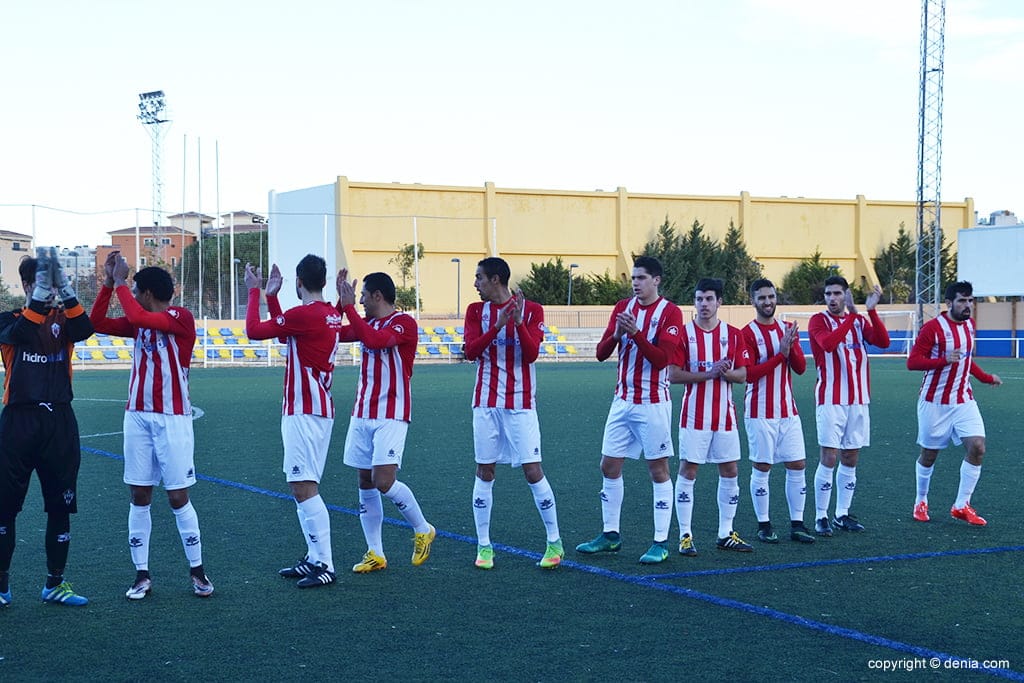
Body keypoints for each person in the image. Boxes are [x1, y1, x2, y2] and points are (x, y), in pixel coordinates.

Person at [89, 252, 213, 599]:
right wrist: (108, 285)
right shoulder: (139, 319)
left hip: (173, 418)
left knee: (177, 496)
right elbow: (96, 322)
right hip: (138, 416)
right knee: (139, 494)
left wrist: (121, 283)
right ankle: (141, 574)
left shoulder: (180, 316)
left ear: (146, 293)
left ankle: (198, 571)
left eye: (135, 290)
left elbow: (137, 314)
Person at [0, 248, 93, 607]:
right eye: (42, 284)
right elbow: (22, 333)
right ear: (26, 284)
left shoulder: (65, 320)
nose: (49, 291)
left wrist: (67, 290)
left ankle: (55, 584)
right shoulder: (8, 319)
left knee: (60, 505)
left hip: (59, 421)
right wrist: (39, 296)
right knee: (5, 507)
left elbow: (85, 329)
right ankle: (2, 587)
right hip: (18, 422)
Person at [576, 256, 684, 565]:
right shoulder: (623, 308)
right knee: (608, 466)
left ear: (656, 280)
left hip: (653, 403)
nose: (635, 282)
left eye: (641, 277)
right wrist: (617, 334)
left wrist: (636, 333)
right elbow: (600, 354)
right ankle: (611, 535)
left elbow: (663, 359)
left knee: (658, 470)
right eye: (633, 278)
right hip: (622, 401)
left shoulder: (670, 312)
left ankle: (661, 541)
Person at [245, 255, 343, 588]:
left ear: (299, 282)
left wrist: (255, 292)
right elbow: (287, 336)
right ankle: (315, 557)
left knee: (304, 486)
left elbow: (254, 331)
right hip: (315, 408)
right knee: (300, 484)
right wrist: (273, 297)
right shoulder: (328, 314)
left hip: (305, 410)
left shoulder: (305, 315)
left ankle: (326, 564)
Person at [463, 257, 562, 570]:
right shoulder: (476, 311)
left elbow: (531, 354)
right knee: (485, 471)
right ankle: (484, 546)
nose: (475, 283)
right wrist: (497, 326)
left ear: (495, 279)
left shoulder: (532, 309)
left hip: (520, 405)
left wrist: (518, 322)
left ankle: (554, 542)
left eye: (479, 278)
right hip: (485, 403)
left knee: (533, 471)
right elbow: (470, 352)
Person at [335, 269, 436, 573]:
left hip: (392, 413)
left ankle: (422, 528)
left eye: (363, 295)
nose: (361, 300)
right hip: (362, 412)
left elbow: (376, 341)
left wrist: (349, 309)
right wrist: (340, 306)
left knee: (384, 481)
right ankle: (375, 552)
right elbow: (334, 333)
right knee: (365, 481)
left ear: (378, 295)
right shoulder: (366, 321)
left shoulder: (403, 322)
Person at [669, 277, 753, 555]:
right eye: (699, 299)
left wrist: (726, 373)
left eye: (709, 299)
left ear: (720, 302)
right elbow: (674, 375)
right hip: (694, 416)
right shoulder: (684, 334)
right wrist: (710, 373)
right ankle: (685, 535)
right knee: (689, 470)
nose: (703, 304)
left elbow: (743, 374)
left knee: (730, 470)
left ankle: (725, 532)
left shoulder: (734, 334)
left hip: (725, 417)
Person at [907, 281, 1001, 526]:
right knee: (929, 455)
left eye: (970, 300)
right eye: (962, 300)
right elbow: (913, 362)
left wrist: (984, 378)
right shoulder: (932, 329)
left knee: (978, 446)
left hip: (963, 399)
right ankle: (921, 500)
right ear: (949, 303)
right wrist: (943, 360)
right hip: (934, 402)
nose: (968, 305)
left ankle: (961, 505)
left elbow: (966, 361)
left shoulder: (970, 325)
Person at [807, 276, 889, 535]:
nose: (832, 298)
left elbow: (883, 342)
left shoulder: (859, 322)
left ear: (846, 295)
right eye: (828, 294)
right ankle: (821, 516)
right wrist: (853, 315)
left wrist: (871, 310)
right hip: (831, 399)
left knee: (851, 457)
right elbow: (828, 345)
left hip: (858, 400)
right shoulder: (818, 321)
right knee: (829, 457)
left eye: (837, 294)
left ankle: (842, 513)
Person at [742, 279, 815, 545]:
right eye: (761, 298)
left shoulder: (787, 329)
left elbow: (799, 368)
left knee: (797, 465)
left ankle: (797, 524)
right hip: (760, 411)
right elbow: (749, 375)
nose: (768, 301)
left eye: (771, 296)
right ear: (753, 301)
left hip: (788, 411)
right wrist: (779, 354)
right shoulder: (746, 334)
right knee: (762, 467)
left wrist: (791, 347)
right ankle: (764, 525)